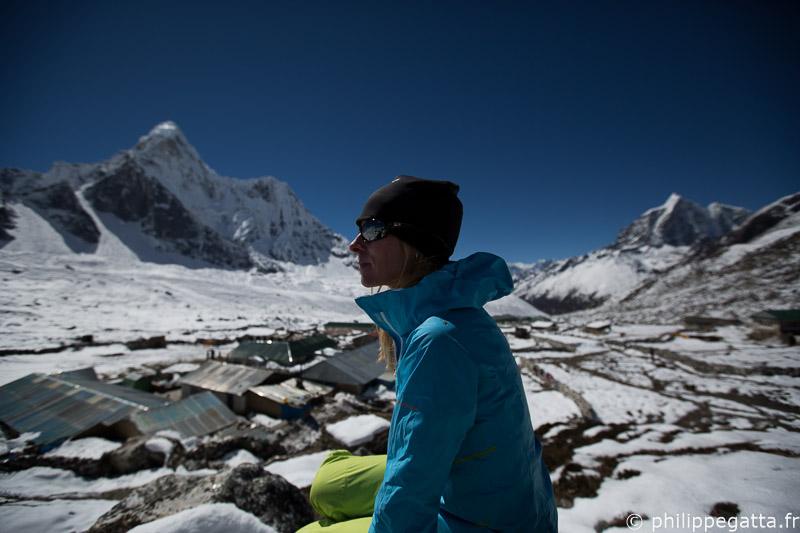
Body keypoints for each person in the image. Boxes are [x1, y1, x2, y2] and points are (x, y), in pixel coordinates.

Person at [298, 175, 557, 532]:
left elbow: (411, 485)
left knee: (311, 531)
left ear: (414, 242)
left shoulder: (437, 340)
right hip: (506, 502)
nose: (354, 244)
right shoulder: (450, 314)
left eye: (372, 229)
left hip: (481, 523)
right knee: (328, 484)